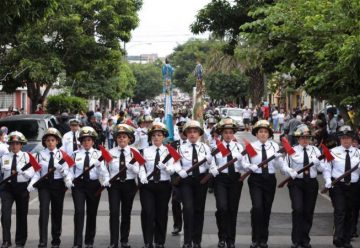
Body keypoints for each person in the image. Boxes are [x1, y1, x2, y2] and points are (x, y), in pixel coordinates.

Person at [243, 120, 287, 248]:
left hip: (269, 179)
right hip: (255, 179)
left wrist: (286, 169)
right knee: (257, 208)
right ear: (256, 134)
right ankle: (255, 238)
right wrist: (250, 166)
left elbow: (280, 164)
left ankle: (263, 239)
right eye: (260, 132)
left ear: (269, 134)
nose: (263, 134)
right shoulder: (251, 146)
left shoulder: (274, 146)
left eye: (265, 132)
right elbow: (245, 164)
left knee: (266, 209)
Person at [174, 120, 215, 248]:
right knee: (188, 208)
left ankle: (197, 240)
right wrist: (180, 171)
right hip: (186, 181)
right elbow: (176, 163)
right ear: (186, 134)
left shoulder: (206, 148)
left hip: (201, 180)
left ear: (199, 134)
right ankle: (187, 240)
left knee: (198, 210)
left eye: (195, 132)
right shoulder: (181, 148)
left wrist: (209, 163)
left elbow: (212, 165)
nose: (192, 134)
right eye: (190, 132)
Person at [27, 128, 70, 248]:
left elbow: (67, 170)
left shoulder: (63, 155)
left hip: (58, 185)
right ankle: (43, 240)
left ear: (57, 141)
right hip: (44, 185)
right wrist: (32, 183)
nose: (50, 142)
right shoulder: (40, 155)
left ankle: (56, 240)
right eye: (48, 140)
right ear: (45, 142)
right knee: (43, 211)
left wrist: (63, 171)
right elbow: (37, 172)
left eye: (53, 140)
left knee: (57, 212)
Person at [283, 124, 323, 248]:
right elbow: (284, 167)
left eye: (307, 137)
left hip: (311, 183)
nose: (305, 140)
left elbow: (322, 168)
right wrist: (290, 171)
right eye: (302, 137)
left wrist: (318, 163)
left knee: (308, 211)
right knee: (298, 209)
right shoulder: (292, 150)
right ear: (298, 138)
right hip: (296, 183)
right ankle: (296, 240)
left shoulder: (315, 150)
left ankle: (305, 239)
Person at [69, 126, 110, 248]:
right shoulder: (75, 154)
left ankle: (89, 241)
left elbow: (104, 172)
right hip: (79, 186)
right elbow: (70, 170)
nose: (86, 142)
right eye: (84, 140)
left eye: (89, 140)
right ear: (80, 142)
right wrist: (69, 179)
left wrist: (102, 172)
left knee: (92, 213)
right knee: (79, 212)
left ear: (93, 141)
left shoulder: (99, 154)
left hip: (93, 185)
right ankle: (77, 242)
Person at [209, 118, 245, 248]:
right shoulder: (216, 147)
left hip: (235, 179)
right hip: (221, 180)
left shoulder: (239, 147)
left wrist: (246, 165)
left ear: (233, 133)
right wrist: (213, 169)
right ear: (222, 134)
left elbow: (244, 166)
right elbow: (212, 163)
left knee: (232, 210)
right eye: (226, 133)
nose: (228, 135)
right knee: (222, 208)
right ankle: (222, 236)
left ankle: (231, 239)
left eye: (230, 132)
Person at [323, 125, 360, 248]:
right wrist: (328, 179)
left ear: (352, 139)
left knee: (350, 212)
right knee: (340, 210)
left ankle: (347, 239)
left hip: (354, 186)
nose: (346, 140)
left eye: (348, 137)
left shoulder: (358, 153)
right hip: (338, 185)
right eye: (343, 138)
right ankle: (338, 237)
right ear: (340, 139)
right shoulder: (333, 152)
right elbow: (327, 168)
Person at [138, 122, 175, 248]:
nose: (156, 137)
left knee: (161, 213)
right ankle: (148, 241)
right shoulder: (145, 151)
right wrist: (142, 176)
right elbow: (141, 166)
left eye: (159, 135)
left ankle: (160, 241)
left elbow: (173, 169)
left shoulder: (169, 151)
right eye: (153, 135)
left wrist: (166, 167)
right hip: (148, 186)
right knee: (148, 212)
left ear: (163, 137)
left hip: (164, 185)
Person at [107, 124, 140, 248]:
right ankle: (113, 241)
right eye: (119, 137)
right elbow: (106, 169)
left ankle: (124, 240)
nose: (122, 139)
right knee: (114, 212)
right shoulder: (110, 152)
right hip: (114, 185)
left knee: (126, 212)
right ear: (116, 139)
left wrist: (133, 167)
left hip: (129, 184)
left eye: (124, 137)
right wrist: (105, 179)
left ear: (129, 139)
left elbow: (140, 169)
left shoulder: (134, 152)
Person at [0, 131, 35, 248]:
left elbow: (32, 172)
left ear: (21, 145)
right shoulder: (4, 157)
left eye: (17, 143)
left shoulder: (27, 156)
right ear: (9, 145)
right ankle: (6, 240)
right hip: (7, 188)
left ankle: (20, 241)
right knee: (5, 214)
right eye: (12, 143)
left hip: (22, 188)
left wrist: (24, 172)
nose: (14, 146)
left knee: (21, 215)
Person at [170, 120, 187, 236]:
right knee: (175, 202)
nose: (183, 134)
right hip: (177, 178)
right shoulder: (173, 145)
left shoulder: (196, 143)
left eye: (184, 131)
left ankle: (189, 224)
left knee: (188, 204)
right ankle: (177, 225)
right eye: (181, 131)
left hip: (190, 177)